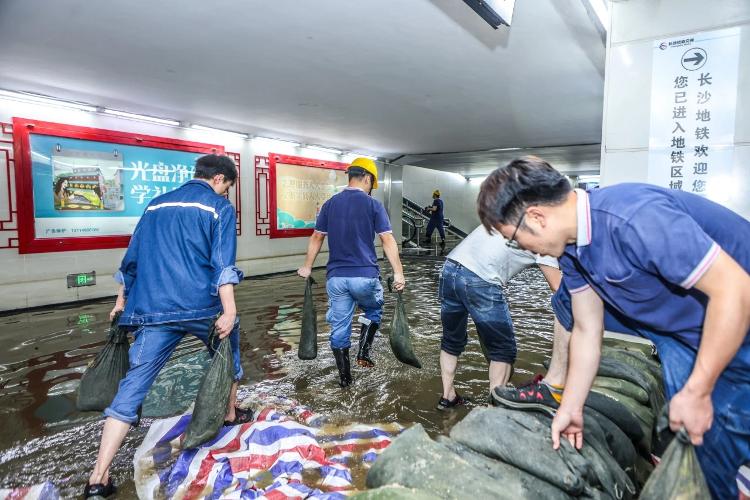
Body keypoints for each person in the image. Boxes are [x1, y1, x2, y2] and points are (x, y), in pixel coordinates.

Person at [478, 156, 750, 499]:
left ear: (536, 217)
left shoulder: (634, 218)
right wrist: (571, 407)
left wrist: (697, 391)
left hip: (735, 319)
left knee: (730, 422)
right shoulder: (573, 250)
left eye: (514, 239)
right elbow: (587, 330)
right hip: (682, 335)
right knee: (700, 441)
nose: (521, 248)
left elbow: (735, 290)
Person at [84, 154, 247, 498]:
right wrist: (229, 310)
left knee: (132, 388)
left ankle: (98, 479)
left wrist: (120, 302)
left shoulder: (155, 206)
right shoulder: (218, 208)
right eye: (228, 187)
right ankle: (231, 413)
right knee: (228, 350)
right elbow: (223, 265)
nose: (227, 193)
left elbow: (131, 260)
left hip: (152, 310)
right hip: (201, 306)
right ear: (219, 179)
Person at [297, 157, 406, 388]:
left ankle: (345, 379)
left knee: (339, 328)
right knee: (374, 310)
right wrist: (398, 273)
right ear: (367, 178)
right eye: (371, 184)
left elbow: (317, 237)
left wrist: (307, 266)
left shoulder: (330, 204)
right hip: (365, 276)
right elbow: (387, 239)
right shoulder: (373, 205)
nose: (370, 190)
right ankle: (363, 353)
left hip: (336, 278)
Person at [436, 224, 560, 410]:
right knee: (503, 349)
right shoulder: (546, 236)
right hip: (481, 280)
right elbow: (558, 287)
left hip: (449, 270)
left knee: (451, 340)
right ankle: (493, 407)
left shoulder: (509, 214)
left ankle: (447, 397)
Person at [423, 189, 446, 253]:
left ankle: (428, 239)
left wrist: (428, 208)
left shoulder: (435, 201)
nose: (432, 195)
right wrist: (431, 207)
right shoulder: (441, 201)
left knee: (429, 228)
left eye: (433, 194)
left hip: (435, 217)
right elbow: (437, 208)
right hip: (440, 217)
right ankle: (443, 240)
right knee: (441, 229)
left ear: (435, 195)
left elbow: (434, 209)